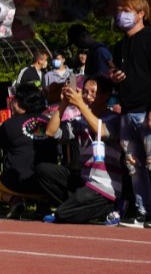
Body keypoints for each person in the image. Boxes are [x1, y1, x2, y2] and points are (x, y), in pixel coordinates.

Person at [39, 77, 125, 225]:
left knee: (62, 213)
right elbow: (51, 132)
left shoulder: (115, 119)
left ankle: (109, 207)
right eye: (84, 92)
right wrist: (64, 104)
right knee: (44, 170)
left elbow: (102, 131)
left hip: (103, 186)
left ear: (105, 95)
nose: (88, 96)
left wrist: (80, 104)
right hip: (84, 180)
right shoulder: (80, 120)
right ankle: (77, 207)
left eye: (93, 92)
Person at [109, 0, 151, 228]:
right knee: (133, 166)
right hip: (127, 111)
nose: (122, 15)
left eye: (127, 10)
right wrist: (114, 78)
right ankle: (143, 210)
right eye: (120, 10)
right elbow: (119, 77)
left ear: (141, 13)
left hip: (148, 111)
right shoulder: (119, 45)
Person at [0, 84, 59, 202]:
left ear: (20, 103)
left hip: (17, 183)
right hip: (47, 184)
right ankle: (43, 203)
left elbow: (1, 145)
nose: (12, 103)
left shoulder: (9, 124)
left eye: (14, 100)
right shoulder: (51, 123)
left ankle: (13, 200)